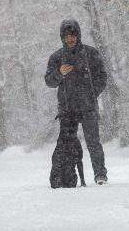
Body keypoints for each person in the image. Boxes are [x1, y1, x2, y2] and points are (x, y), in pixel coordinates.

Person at [45, 19, 109, 185]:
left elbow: (102, 77)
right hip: (67, 109)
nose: (70, 39)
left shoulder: (91, 54)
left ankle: (100, 174)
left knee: (93, 142)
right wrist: (59, 73)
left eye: (73, 35)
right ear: (62, 37)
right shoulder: (57, 57)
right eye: (66, 36)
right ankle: (66, 175)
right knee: (66, 145)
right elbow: (49, 82)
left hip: (88, 107)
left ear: (78, 35)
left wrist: (91, 93)